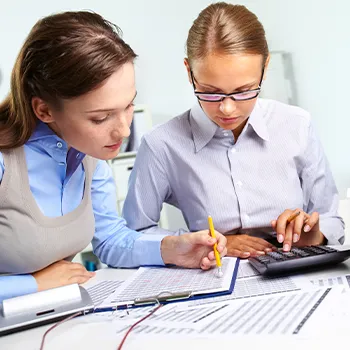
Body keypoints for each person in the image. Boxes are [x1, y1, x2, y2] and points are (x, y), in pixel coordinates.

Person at [0, 11, 227, 303]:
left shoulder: (89, 157)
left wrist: (172, 249)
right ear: (44, 110)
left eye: (129, 105)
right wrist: (34, 283)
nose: (123, 130)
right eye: (100, 118)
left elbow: (110, 239)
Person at [123, 2, 344, 259]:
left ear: (265, 66)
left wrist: (313, 234)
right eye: (210, 92)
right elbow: (133, 234)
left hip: (296, 269)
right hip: (214, 277)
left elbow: (332, 220)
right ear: (189, 71)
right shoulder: (161, 144)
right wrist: (207, 242)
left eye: (243, 91)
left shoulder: (297, 125)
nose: (227, 109)